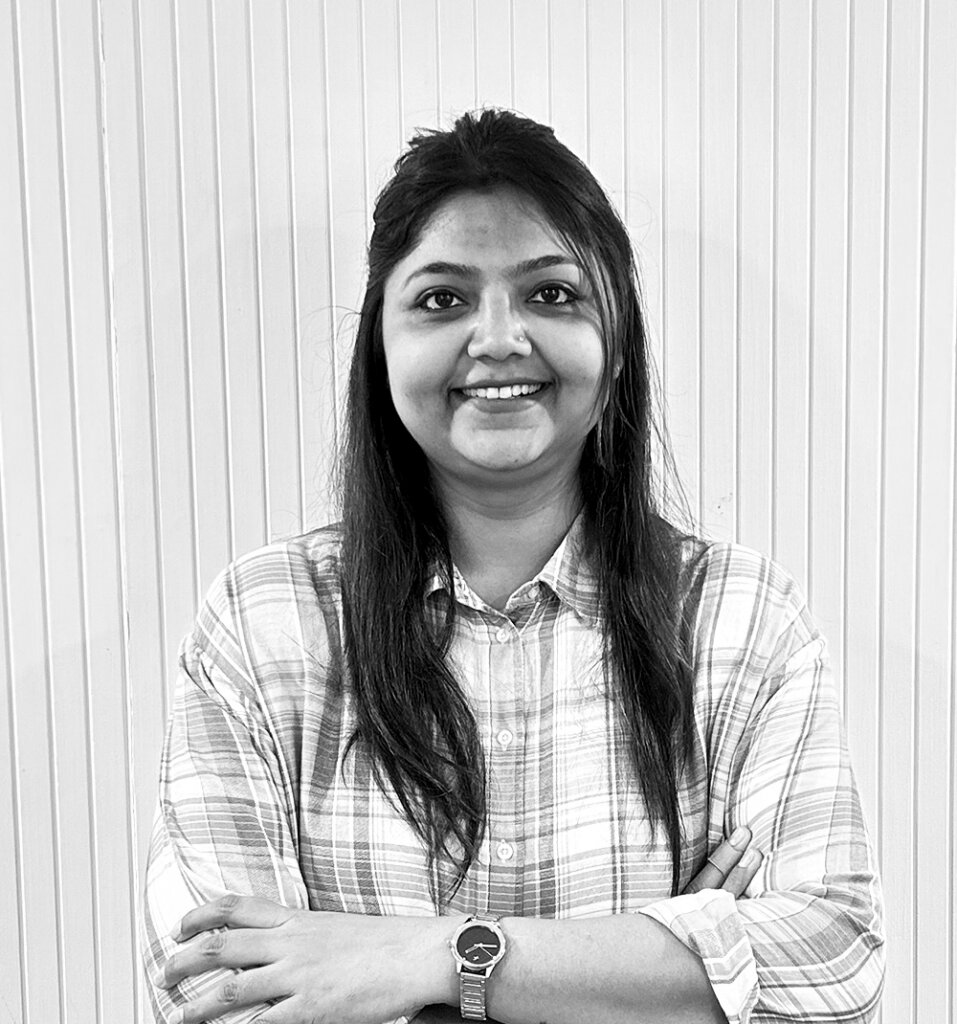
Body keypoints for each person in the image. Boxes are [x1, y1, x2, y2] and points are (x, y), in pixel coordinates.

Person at [140, 109, 885, 1024]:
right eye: (441, 300)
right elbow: (218, 991)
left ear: (617, 347)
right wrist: (655, 964)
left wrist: (426, 958)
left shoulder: (741, 619)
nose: (497, 339)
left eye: (551, 293)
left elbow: (835, 965)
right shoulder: (263, 623)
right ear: (381, 347)